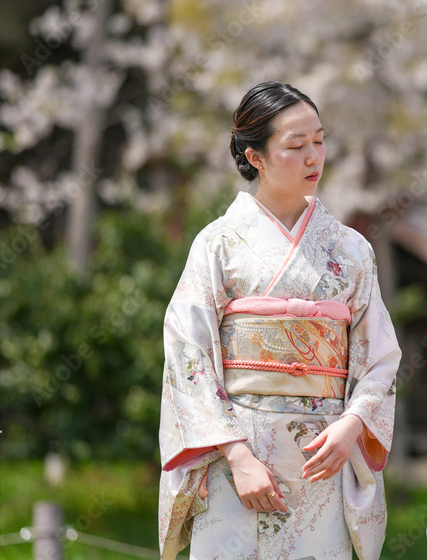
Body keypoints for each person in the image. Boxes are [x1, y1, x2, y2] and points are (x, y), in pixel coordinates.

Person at [158, 81, 401, 560]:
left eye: (320, 141)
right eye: (296, 145)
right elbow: (187, 352)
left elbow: (379, 356)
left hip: (323, 454)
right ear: (256, 157)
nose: (314, 157)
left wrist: (353, 425)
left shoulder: (351, 249)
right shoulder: (218, 243)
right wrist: (236, 455)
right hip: (237, 456)